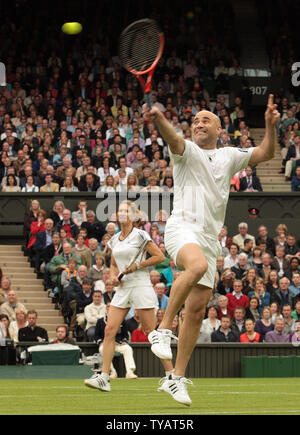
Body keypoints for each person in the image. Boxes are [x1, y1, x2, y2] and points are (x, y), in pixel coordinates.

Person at [141, 95, 279, 405]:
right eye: (195, 121)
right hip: (182, 228)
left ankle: (176, 378)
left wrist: (270, 126)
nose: (199, 124)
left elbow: (267, 151)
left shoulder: (230, 155)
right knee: (197, 266)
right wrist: (160, 118)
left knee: (197, 310)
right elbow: (173, 137)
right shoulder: (186, 151)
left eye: (206, 120)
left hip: (209, 237)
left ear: (219, 128)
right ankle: (162, 330)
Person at [84, 200, 173, 392]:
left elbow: (160, 257)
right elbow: (114, 264)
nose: (122, 213)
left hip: (140, 284)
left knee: (151, 333)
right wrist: (115, 276)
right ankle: (104, 377)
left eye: (126, 211)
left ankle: (171, 377)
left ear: (133, 216)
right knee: (109, 330)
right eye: (120, 211)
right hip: (123, 288)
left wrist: (138, 266)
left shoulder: (141, 235)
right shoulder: (114, 239)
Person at [94, 303, 138, 379]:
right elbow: (96, 335)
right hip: (106, 344)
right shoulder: (100, 321)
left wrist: (124, 341)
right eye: (108, 306)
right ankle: (112, 372)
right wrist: (101, 343)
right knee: (102, 349)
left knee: (128, 349)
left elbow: (125, 335)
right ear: (106, 308)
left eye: (111, 307)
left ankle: (130, 372)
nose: (109, 308)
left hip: (119, 344)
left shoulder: (121, 319)